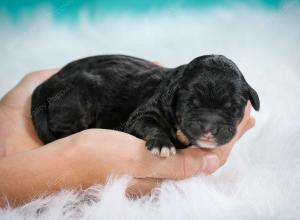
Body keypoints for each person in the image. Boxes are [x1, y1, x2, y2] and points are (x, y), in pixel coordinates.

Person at [0, 68, 255, 207]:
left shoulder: (175, 89)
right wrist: (67, 160)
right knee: (79, 101)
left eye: (228, 109)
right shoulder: (161, 100)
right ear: (174, 96)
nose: (210, 126)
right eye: (194, 105)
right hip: (79, 89)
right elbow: (141, 120)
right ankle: (61, 131)